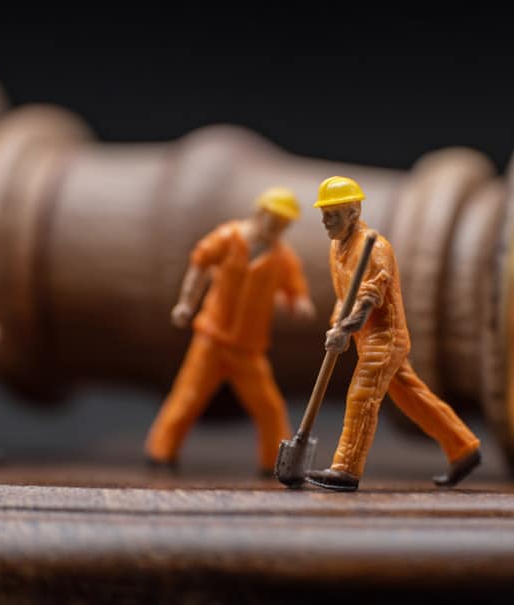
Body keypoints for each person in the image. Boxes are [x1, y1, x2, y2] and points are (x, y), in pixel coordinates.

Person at [305, 176, 481, 492]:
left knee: (362, 396)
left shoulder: (374, 249)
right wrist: (337, 324)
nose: (324, 221)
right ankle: (464, 447)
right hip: (363, 337)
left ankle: (346, 469)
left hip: (384, 338)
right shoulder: (337, 247)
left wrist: (346, 328)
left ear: (354, 212)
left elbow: (368, 299)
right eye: (323, 213)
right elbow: (344, 295)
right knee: (414, 398)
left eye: (332, 214)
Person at [145, 187, 315, 474]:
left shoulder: (283, 259)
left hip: (248, 349)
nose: (278, 229)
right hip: (211, 339)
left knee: (269, 407)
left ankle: (273, 461)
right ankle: (161, 451)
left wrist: (300, 306)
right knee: (187, 397)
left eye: (284, 225)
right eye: (275, 221)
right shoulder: (228, 238)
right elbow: (199, 266)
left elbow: (297, 293)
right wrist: (187, 303)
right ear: (260, 214)